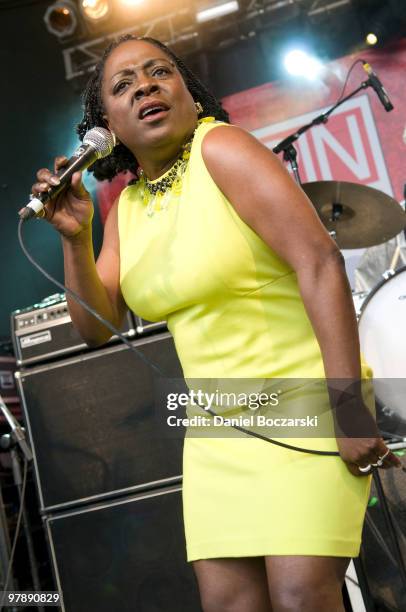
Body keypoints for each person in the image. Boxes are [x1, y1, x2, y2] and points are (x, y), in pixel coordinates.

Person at [30, 35, 401, 612]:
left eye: (160, 73)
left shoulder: (222, 148)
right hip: (218, 430)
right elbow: (96, 327)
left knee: (300, 596)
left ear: (188, 92)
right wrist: (77, 238)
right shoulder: (127, 206)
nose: (145, 87)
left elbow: (320, 261)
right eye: (123, 85)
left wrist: (348, 406)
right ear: (104, 127)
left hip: (303, 401)